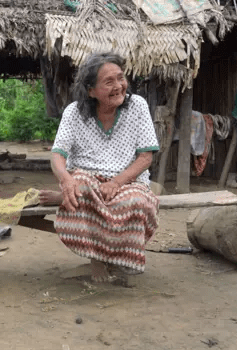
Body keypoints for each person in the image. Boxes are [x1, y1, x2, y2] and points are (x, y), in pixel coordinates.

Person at [45, 52, 160, 284]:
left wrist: (116, 183)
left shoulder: (137, 106)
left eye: (121, 78)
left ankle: (119, 258)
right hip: (86, 176)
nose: (119, 86)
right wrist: (66, 180)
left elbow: (145, 157)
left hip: (128, 179)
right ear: (91, 91)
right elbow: (58, 154)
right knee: (81, 189)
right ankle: (96, 257)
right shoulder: (73, 112)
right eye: (109, 82)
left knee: (135, 203)